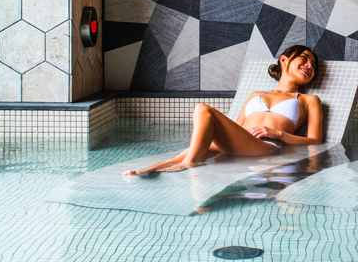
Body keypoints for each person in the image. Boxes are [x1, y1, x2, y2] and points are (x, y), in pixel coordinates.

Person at [125, 45, 326, 174]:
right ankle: (150, 170)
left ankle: (190, 163)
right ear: (284, 60)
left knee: (203, 110)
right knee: (192, 150)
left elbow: (315, 140)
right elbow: (236, 127)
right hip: (241, 143)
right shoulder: (255, 94)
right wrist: (207, 144)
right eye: (305, 58)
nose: (310, 65)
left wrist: (278, 134)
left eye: (313, 65)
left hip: (266, 147)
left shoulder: (309, 100)